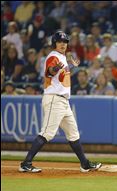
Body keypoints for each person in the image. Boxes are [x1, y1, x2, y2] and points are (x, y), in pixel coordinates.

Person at [19, 31, 102, 173]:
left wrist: (70, 65)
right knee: (47, 133)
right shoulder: (53, 56)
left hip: (63, 102)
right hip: (54, 99)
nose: (63, 44)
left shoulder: (62, 58)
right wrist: (63, 65)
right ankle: (26, 163)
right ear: (54, 43)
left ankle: (84, 164)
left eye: (65, 42)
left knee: (73, 133)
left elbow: (60, 75)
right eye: (60, 41)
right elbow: (51, 72)